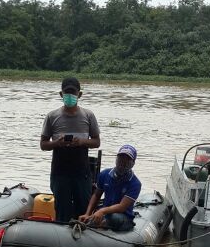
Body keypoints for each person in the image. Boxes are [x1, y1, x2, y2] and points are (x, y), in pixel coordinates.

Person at [40, 76, 100, 223]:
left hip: (82, 173)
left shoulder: (88, 115)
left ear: (79, 94)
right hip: (60, 173)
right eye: (67, 93)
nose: (70, 96)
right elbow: (43, 144)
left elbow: (96, 142)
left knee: (83, 210)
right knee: (62, 212)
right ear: (61, 94)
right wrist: (56, 143)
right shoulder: (52, 116)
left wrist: (81, 142)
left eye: (73, 93)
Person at [79, 144, 141, 231]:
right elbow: (96, 195)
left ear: (133, 163)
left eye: (127, 159)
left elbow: (122, 207)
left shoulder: (135, 183)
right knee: (92, 216)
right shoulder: (104, 174)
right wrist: (87, 213)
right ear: (116, 159)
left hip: (123, 216)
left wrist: (102, 211)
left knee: (114, 217)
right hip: (106, 211)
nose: (123, 162)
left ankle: (101, 225)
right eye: (121, 158)